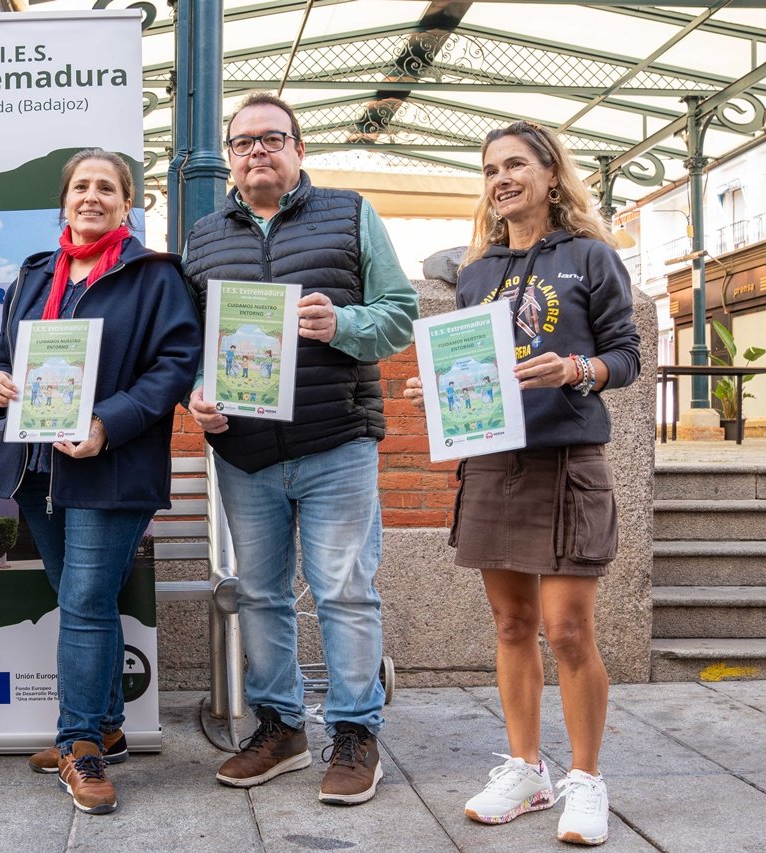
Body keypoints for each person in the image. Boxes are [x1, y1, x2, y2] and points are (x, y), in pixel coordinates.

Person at [404, 120, 640, 846]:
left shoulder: (593, 257)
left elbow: (626, 357)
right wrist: (435, 391)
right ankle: (526, 767)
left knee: (568, 629)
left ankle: (587, 779)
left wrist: (577, 370)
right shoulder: (476, 272)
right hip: (493, 461)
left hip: (568, 460)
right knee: (511, 625)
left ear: (549, 173)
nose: (500, 179)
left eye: (514, 165)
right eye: (488, 170)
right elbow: (474, 367)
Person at [185, 92, 418, 806]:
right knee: (259, 592)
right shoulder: (201, 238)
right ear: (230, 156)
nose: (258, 151)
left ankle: (354, 732)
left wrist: (342, 322)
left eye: (272, 139)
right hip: (245, 451)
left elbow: (400, 315)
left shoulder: (351, 214)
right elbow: (193, 345)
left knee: (345, 590)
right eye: (245, 141)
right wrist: (200, 393)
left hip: (335, 441)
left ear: (299, 149)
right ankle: (281, 727)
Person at [0, 148, 200, 815]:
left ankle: (79, 744)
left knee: (81, 601)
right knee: (80, 597)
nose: (92, 196)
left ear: (127, 203)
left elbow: (175, 367)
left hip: (111, 464)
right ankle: (105, 721)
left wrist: (107, 422)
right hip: (38, 466)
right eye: (82, 185)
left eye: (107, 187)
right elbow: (1, 360)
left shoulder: (155, 276)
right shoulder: (34, 275)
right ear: (65, 199)